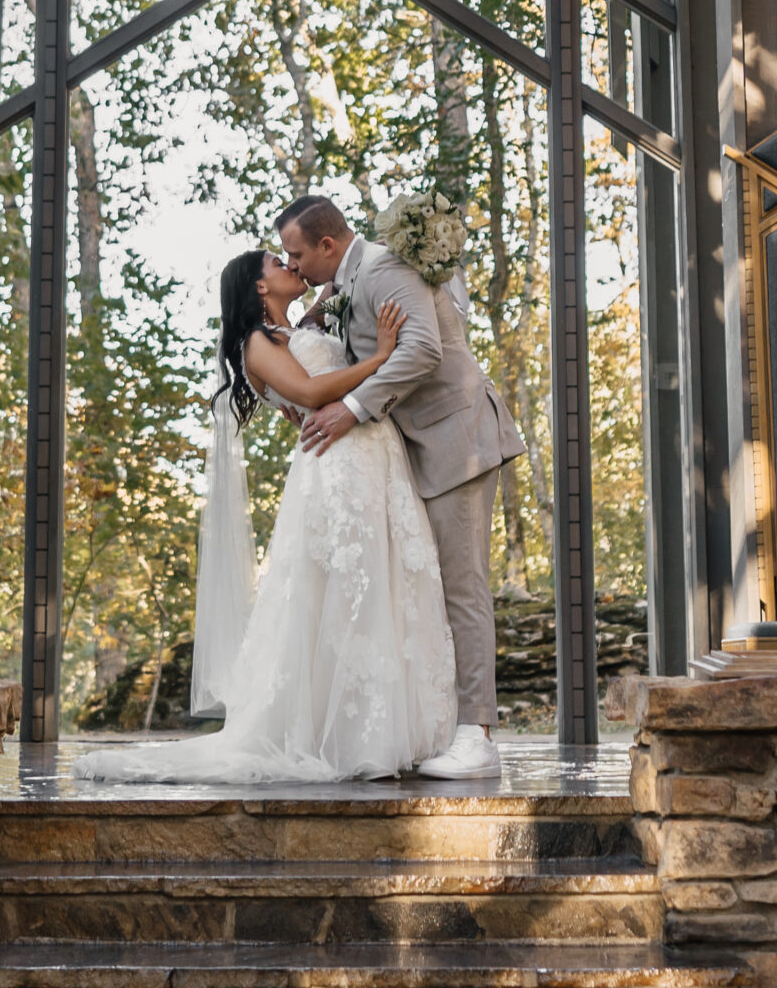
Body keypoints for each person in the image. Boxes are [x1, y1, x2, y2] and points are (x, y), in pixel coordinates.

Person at [73, 248, 456, 784]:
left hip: (375, 459)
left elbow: (343, 271)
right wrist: (383, 356)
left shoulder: (299, 325)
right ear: (258, 286)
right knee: (349, 590)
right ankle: (349, 736)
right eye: (279, 262)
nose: (290, 266)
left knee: (390, 585)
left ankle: (394, 730)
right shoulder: (258, 344)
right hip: (334, 468)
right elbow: (312, 391)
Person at [278, 193, 523, 780]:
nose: (292, 268)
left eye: (296, 255)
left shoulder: (384, 268)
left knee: (463, 587)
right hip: (422, 450)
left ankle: (478, 735)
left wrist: (352, 410)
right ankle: (445, 725)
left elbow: (422, 349)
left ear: (328, 245)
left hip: (456, 442)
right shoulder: (349, 279)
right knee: (431, 588)